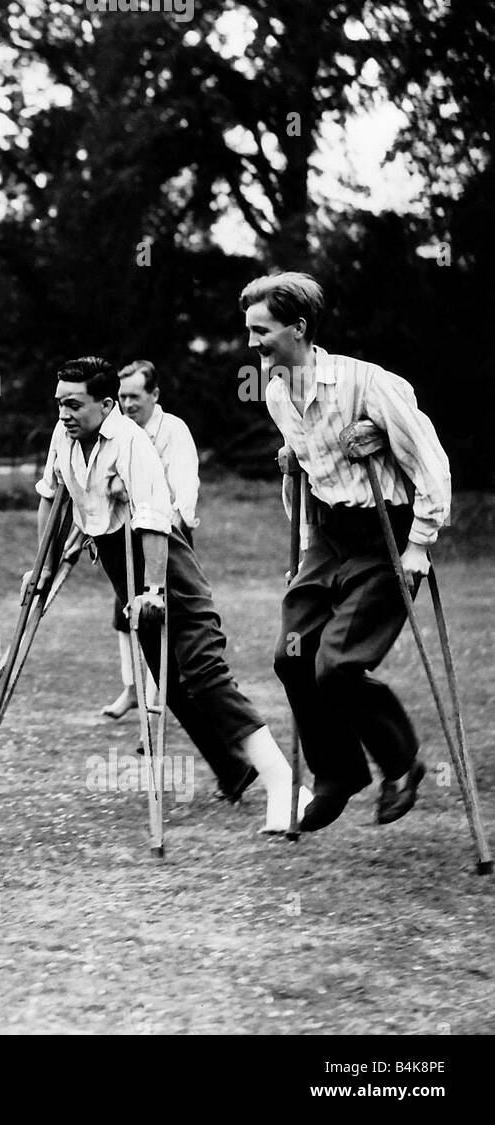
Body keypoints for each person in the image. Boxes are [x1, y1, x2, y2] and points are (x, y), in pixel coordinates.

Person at [31, 356, 310, 833]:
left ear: (105, 403)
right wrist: (41, 565)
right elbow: (51, 495)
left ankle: (286, 785)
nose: (64, 414)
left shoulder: (132, 442)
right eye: (59, 404)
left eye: (74, 405)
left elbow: (157, 518)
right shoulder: (65, 437)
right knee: (174, 685)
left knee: (204, 673)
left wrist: (155, 589)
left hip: (166, 566)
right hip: (122, 570)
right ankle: (236, 770)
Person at [241, 271, 451, 832]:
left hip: (386, 536)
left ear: (299, 328)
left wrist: (419, 546)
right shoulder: (277, 391)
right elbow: (308, 472)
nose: (253, 344)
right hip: (328, 539)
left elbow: (430, 463)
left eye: (261, 331)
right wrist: (305, 540)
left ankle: (401, 764)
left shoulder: (371, 384)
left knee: (337, 667)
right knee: (292, 657)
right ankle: (337, 775)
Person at [101, 360, 201, 719]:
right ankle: (132, 690)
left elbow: (184, 487)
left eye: (135, 396)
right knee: (123, 613)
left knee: (157, 612)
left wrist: (169, 528)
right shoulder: (118, 432)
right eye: (121, 396)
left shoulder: (173, 431)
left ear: (154, 395)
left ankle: (160, 694)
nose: (127, 404)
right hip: (125, 535)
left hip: (166, 534)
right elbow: (106, 483)